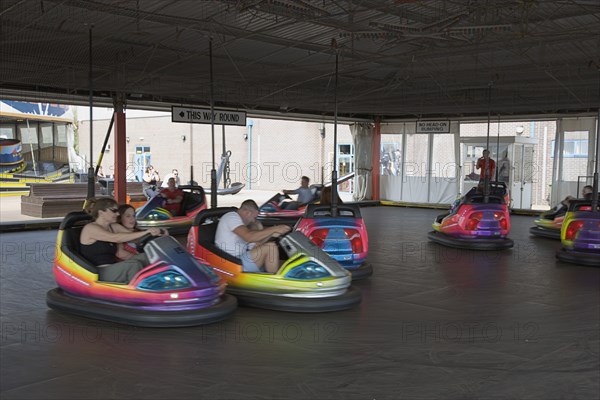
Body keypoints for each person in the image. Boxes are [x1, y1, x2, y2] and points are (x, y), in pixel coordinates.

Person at [79, 198, 162, 283]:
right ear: (101, 213)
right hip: (98, 272)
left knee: (145, 256)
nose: (118, 214)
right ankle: (139, 292)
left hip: (113, 267)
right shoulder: (90, 228)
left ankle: (161, 281)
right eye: (114, 211)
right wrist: (146, 232)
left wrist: (156, 233)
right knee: (133, 265)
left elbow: (133, 237)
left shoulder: (112, 226)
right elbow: (115, 238)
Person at [215, 199, 291, 273]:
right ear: (247, 213)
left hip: (241, 256)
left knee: (283, 262)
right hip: (232, 262)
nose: (253, 221)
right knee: (271, 247)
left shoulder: (241, 225)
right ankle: (275, 282)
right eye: (254, 217)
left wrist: (271, 234)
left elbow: (256, 242)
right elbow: (249, 237)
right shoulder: (231, 217)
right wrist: (274, 228)